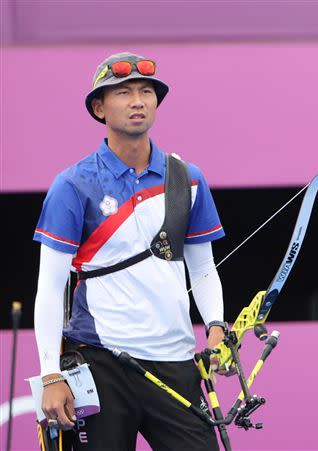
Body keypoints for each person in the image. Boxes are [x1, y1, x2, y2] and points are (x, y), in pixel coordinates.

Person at [33, 52, 226, 450]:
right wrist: (51, 376)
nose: (138, 101)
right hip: (101, 362)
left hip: (175, 362)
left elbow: (203, 268)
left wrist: (217, 328)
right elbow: (50, 288)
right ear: (99, 108)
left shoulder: (187, 178)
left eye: (146, 91)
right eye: (123, 92)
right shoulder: (72, 184)